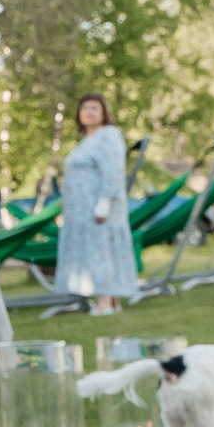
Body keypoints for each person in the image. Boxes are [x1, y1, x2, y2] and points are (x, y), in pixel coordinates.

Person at [57, 92, 139, 314]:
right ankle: (110, 302)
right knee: (93, 253)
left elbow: (113, 170)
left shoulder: (108, 135)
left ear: (104, 112)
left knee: (101, 252)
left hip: (99, 208)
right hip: (80, 212)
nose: (89, 112)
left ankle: (106, 303)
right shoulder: (87, 140)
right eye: (85, 108)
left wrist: (104, 202)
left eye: (94, 108)